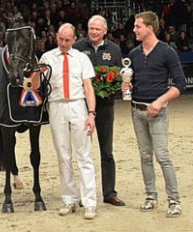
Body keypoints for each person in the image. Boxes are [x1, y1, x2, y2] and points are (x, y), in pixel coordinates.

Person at [122, 11, 186, 217]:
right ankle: (151, 196)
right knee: (145, 156)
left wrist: (160, 101)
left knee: (162, 156)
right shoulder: (133, 54)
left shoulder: (167, 52)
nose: (134, 30)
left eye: (137, 26)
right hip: (136, 110)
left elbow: (180, 84)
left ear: (150, 28)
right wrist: (127, 86)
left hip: (157, 112)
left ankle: (174, 200)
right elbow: (131, 80)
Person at [39, 23, 97, 220]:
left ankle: (89, 202)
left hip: (77, 104)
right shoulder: (46, 58)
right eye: (60, 39)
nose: (63, 43)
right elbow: (37, 85)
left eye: (67, 40)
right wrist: (33, 73)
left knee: (84, 155)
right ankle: (69, 199)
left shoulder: (82, 58)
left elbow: (88, 87)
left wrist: (91, 113)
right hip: (56, 106)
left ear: (74, 39)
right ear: (56, 37)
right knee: (63, 155)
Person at [74, 15, 125, 206]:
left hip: (105, 106)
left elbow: (120, 75)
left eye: (97, 29)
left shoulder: (113, 49)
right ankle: (86, 194)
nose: (94, 32)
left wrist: (114, 87)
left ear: (105, 30)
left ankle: (109, 193)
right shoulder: (78, 47)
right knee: (83, 152)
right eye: (91, 29)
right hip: (81, 106)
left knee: (107, 150)